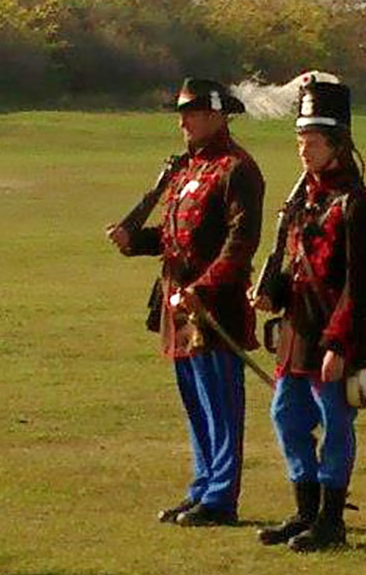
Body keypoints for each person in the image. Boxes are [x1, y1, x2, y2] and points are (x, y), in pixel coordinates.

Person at [108, 78, 265, 526]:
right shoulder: (186, 169)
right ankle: (201, 486)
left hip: (214, 306)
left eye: (192, 113)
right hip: (178, 303)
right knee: (196, 402)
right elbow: (173, 234)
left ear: (218, 115)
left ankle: (220, 496)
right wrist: (134, 241)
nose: (184, 122)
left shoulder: (237, 168)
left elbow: (241, 241)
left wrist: (204, 289)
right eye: (182, 113)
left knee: (220, 404)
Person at [254, 79, 366, 551]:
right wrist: (275, 292)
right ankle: (305, 510)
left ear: (337, 146)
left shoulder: (357, 204)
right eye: (299, 142)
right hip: (297, 329)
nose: (303, 152)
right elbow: (298, 268)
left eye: (311, 143)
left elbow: (358, 282)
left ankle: (331, 520)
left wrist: (339, 343)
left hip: (334, 334)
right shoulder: (304, 200)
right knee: (287, 415)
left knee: (335, 423)